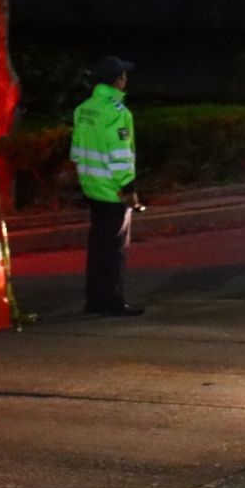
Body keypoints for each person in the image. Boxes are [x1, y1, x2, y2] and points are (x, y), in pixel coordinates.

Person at [72, 55, 143, 315]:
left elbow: (77, 150)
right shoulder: (117, 112)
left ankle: (94, 299)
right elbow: (120, 155)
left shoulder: (84, 109)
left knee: (97, 247)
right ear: (118, 80)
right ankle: (112, 301)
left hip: (91, 187)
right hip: (113, 191)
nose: (126, 79)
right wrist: (129, 189)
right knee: (114, 250)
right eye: (124, 75)